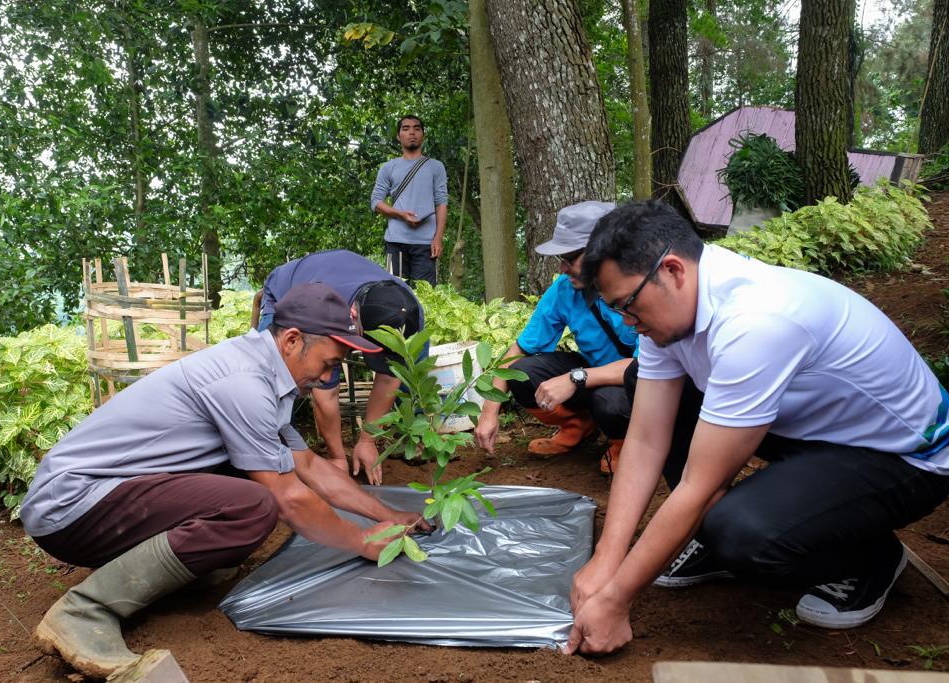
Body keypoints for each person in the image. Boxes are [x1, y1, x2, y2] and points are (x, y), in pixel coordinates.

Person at [564, 201, 949, 656]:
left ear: (672, 270)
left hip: (905, 457)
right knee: (655, 395)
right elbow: (647, 438)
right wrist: (607, 560)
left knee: (739, 531)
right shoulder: (672, 309)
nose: (628, 323)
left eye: (628, 306)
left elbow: (702, 486)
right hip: (817, 431)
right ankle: (708, 536)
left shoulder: (757, 319)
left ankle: (871, 558)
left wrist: (615, 599)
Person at [20, 283, 430, 678]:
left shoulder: (266, 374)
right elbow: (289, 498)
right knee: (253, 504)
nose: (327, 378)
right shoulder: (244, 382)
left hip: (111, 495)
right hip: (72, 504)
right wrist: (361, 541)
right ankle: (84, 611)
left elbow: (306, 464)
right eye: (327, 364)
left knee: (251, 473)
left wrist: (388, 513)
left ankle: (186, 568)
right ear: (291, 340)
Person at [474, 201, 638, 476]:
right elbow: (520, 348)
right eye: (560, 259)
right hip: (592, 371)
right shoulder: (565, 290)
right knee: (522, 374)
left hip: (639, 383)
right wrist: (490, 410)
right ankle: (579, 426)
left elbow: (644, 367)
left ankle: (625, 445)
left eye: (570, 259)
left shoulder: (639, 287)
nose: (563, 268)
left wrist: (576, 377)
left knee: (609, 402)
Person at [251, 249, 425, 485]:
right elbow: (325, 392)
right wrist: (337, 459)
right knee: (273, 375)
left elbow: (389, 378)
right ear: (353, 315)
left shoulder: (408, 311)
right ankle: (275, 447)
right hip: (285, 290)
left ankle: (411, 437)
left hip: (340, 282)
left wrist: (367, 441)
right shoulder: (326, 312)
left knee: (408, 369)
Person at [370, 115, 448, 285]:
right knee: (394, 294)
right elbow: (376, 202)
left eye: (416, 128)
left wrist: (438, 238)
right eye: (406, 128)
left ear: (423, 134)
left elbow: (441, 202)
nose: (412, 132)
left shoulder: (436, 166)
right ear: (399, 136)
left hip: (426, 244)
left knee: (426, 296)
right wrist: (400, 214)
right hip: (395, 242)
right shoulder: (388, 168)